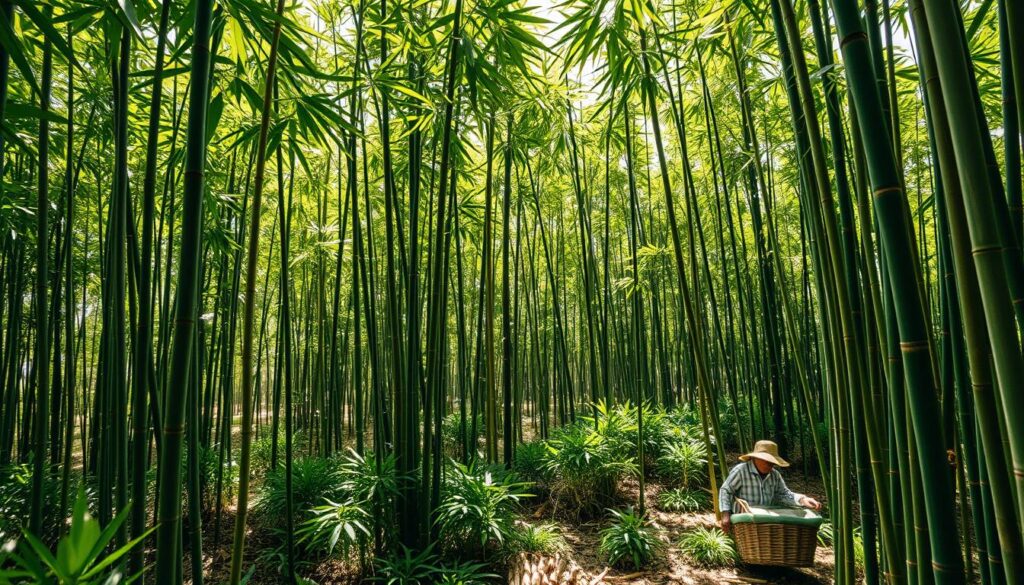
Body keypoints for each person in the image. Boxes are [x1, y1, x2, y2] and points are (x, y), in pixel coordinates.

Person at [719, 440, 821, 532]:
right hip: (745, 523)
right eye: (768, 462)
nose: (771, 465)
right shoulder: (741, 471)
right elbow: (726, 491)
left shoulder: (775, 475)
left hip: (767, 523)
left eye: (773, 463)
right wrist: (725, 514)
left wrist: (802, 500)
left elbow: (784, 494)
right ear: (756, 458)